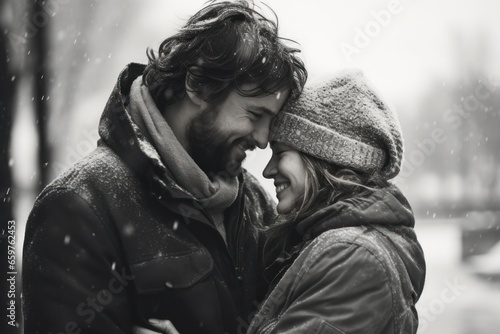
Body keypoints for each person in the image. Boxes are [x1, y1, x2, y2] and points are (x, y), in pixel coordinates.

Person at [21, 1, 307, 333]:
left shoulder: (254, 203)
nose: (262, 140)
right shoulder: (78, 206)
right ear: (198, 86)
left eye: (270, 123)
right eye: (255, 116)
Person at [244, 70, 426, 333]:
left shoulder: (355, 256)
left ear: (325, 161)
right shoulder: (333, 243)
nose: (267, 170)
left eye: (281, 153)